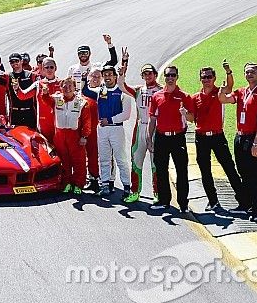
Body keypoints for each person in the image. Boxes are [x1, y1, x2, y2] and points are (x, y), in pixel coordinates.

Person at [184, 63, 246, 212]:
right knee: (205, 171)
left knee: (229, 168)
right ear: (200, 79)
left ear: (214, 78)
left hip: (218, 137)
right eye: (204, 77)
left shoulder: (219, 92)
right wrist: (184, 113)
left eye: (209, 77)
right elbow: (192, 118)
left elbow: (230, 87)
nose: (206, 80)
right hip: (201, 138)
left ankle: (244, 201)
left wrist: (229, 72)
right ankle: (213, 201)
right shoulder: (195, 98)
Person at [219, 62, 257, 223]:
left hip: (253, 138)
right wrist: (222, 90)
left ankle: (256, 210)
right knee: (243, 172)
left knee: (254, 174)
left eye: (252, 72)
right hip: (240, 136)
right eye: (247, 72)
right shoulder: (242, 91)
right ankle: (246, 205)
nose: (249, 75)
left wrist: (256, 143)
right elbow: (224, 100)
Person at [147, 65, 194, 213]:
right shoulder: (157, 96)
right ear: (165, 77)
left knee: (182, 170)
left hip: (178, 138)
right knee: (161, 170)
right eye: (167, 75)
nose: (170, 78)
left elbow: (192, 118)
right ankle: (164, 200)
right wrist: (149, 138)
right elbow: (152, 119)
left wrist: (184, 113)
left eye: (173, 75)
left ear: (177, 77)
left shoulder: (185, 96)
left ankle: (183, 203)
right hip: (161, 137)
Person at [118, 52, 161, 204]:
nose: (148, 76)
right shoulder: (138, 90)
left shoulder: (162, 90)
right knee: (136, 161)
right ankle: (135, 192)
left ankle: (157, 192)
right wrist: (124, 67)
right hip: (140, 127)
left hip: (156, 129)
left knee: (157, 163)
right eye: (145, 74)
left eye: (150, 73)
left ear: (155, 74)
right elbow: (121, 86)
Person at [82, 64, 131, 197]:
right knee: (104, 159)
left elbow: (126, 114)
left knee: (120, 159)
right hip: (102, 129)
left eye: (110, 74)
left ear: (115, 76)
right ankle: (105, 185)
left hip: (116, 129)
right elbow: (86, 91)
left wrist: (110, 120)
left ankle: (127, 186)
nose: (108, 77)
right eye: (106, 75)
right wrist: (84, 78)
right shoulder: (100, 90)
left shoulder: (122, 92)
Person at [43, 77, 93, 194]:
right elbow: (46, 100)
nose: (67, 88)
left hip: (75, 135)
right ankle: (67, 183)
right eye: (65, 86)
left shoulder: (81, 103)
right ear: (61, 88)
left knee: (78, 161)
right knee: (64, 161)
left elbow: (87, 121)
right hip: (60, 134)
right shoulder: (56, 99)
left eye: (70, 86)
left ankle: (78, 184)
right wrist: (45, 93)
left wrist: (84, 136)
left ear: (75, 88)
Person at [15, 57, 61, 142]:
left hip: (60, 124)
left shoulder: (62, 84)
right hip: (44, 124)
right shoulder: (38, 84)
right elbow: (23, 96)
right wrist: (17, 88)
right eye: (47, 67)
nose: (49, 69)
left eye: (51, 67)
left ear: (56, 68)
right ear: (42, 69)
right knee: (46, 151)